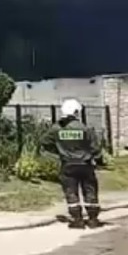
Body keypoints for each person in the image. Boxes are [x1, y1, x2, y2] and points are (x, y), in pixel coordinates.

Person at [41, 98, 104, 229]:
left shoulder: (56, 128)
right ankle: (93, 220)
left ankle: (77, 220)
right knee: (90, 190)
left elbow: (45, 142)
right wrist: (98, 160)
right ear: (76, 112)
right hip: (85, 165)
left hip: (68, 165)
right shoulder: (85, 128)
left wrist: (59, 151)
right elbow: (95, 148)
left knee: (71, 191)